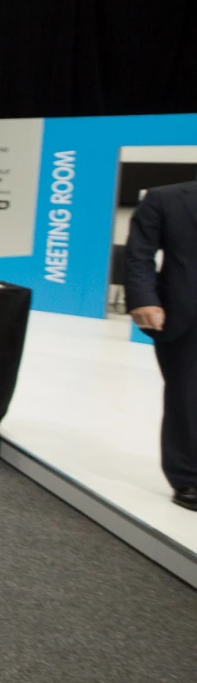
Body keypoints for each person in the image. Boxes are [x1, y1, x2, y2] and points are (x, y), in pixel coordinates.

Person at [123, 179, 197, 512]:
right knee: (186, 396)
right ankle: (189, 477)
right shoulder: (164, 198)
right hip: (186, 314)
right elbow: (139, 255)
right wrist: (143, 299)